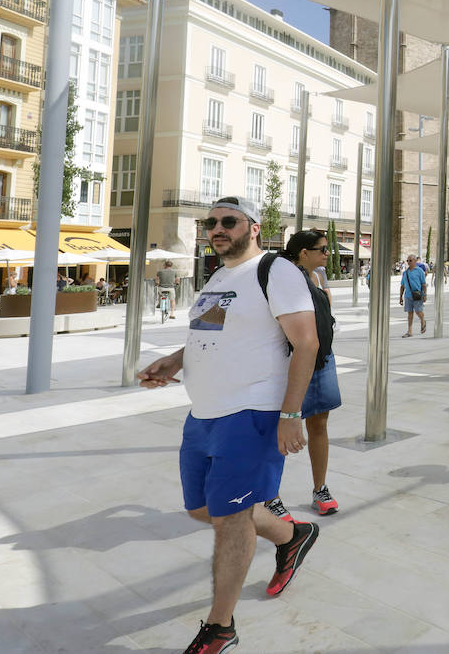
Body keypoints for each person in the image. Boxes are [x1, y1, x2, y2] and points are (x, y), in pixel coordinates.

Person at [136, 196, 321, 654]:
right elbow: (212, 334)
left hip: (252, 412)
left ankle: (220, 627)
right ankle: (291, 534)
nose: (217, 228)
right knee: (202, 509)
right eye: (211, 221)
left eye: (229, 221)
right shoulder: (218, 275)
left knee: (231, 518)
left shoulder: (276, 271)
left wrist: (290, 415)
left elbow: (306, 343)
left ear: (253, 227)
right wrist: (174, 360)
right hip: (203, 414)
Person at [265, 231, 342, 520]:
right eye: (321, 249)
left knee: (319, 424)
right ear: (302, 253)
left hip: (322, 359)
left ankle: (320, 488)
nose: (326, 254)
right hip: (292, 362)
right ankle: (270, 496)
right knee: (280, 430)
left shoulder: (318, 276)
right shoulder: (283, 277)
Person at [398, 254, 427, 337]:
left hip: (417, 295)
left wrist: (424, 295)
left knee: (418, 312)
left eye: (410, 260)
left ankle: (423, 321)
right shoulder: (405, 273)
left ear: (415, 261)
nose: (408, 262)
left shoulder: (420, 271)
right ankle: (409, 331)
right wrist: (400, 297)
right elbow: (402, 286)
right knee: (410, 314)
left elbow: (424, 284)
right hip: (408, 296)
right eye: (407, 261)